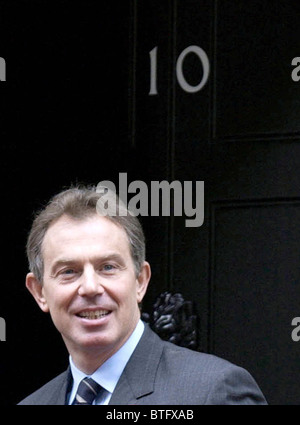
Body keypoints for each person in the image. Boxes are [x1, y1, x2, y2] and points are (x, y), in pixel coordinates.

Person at [18, 185, 267, 405]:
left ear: (140, 280)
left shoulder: (213, 392)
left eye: (108, 267)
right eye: (69, 271)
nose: (91, 287)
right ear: (39, 292)